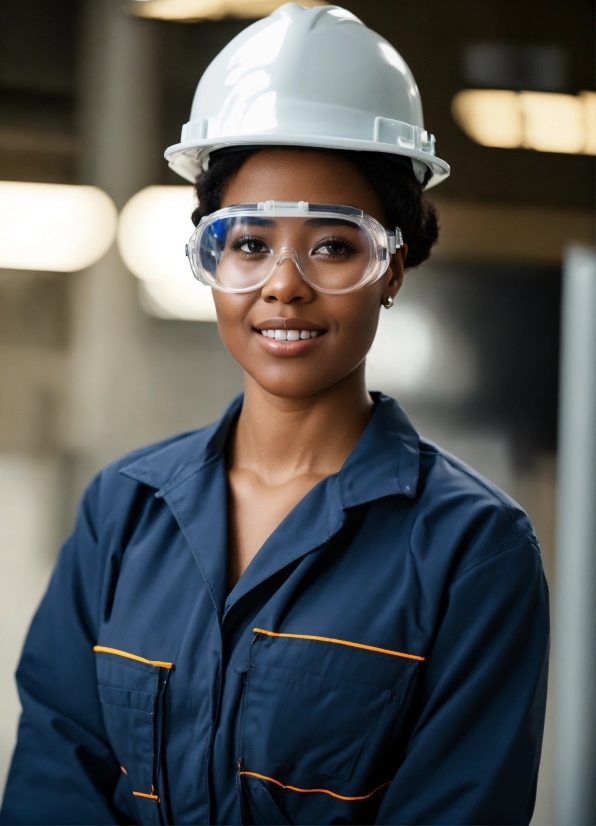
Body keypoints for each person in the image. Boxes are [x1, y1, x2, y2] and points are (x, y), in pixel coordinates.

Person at [0, 5, 548, 825]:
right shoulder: (122, 511)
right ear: (210, 259)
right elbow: (54, 783)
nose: (283, 284)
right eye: (249, 243)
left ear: (393, 267)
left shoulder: (472, 554)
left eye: (333, 244)